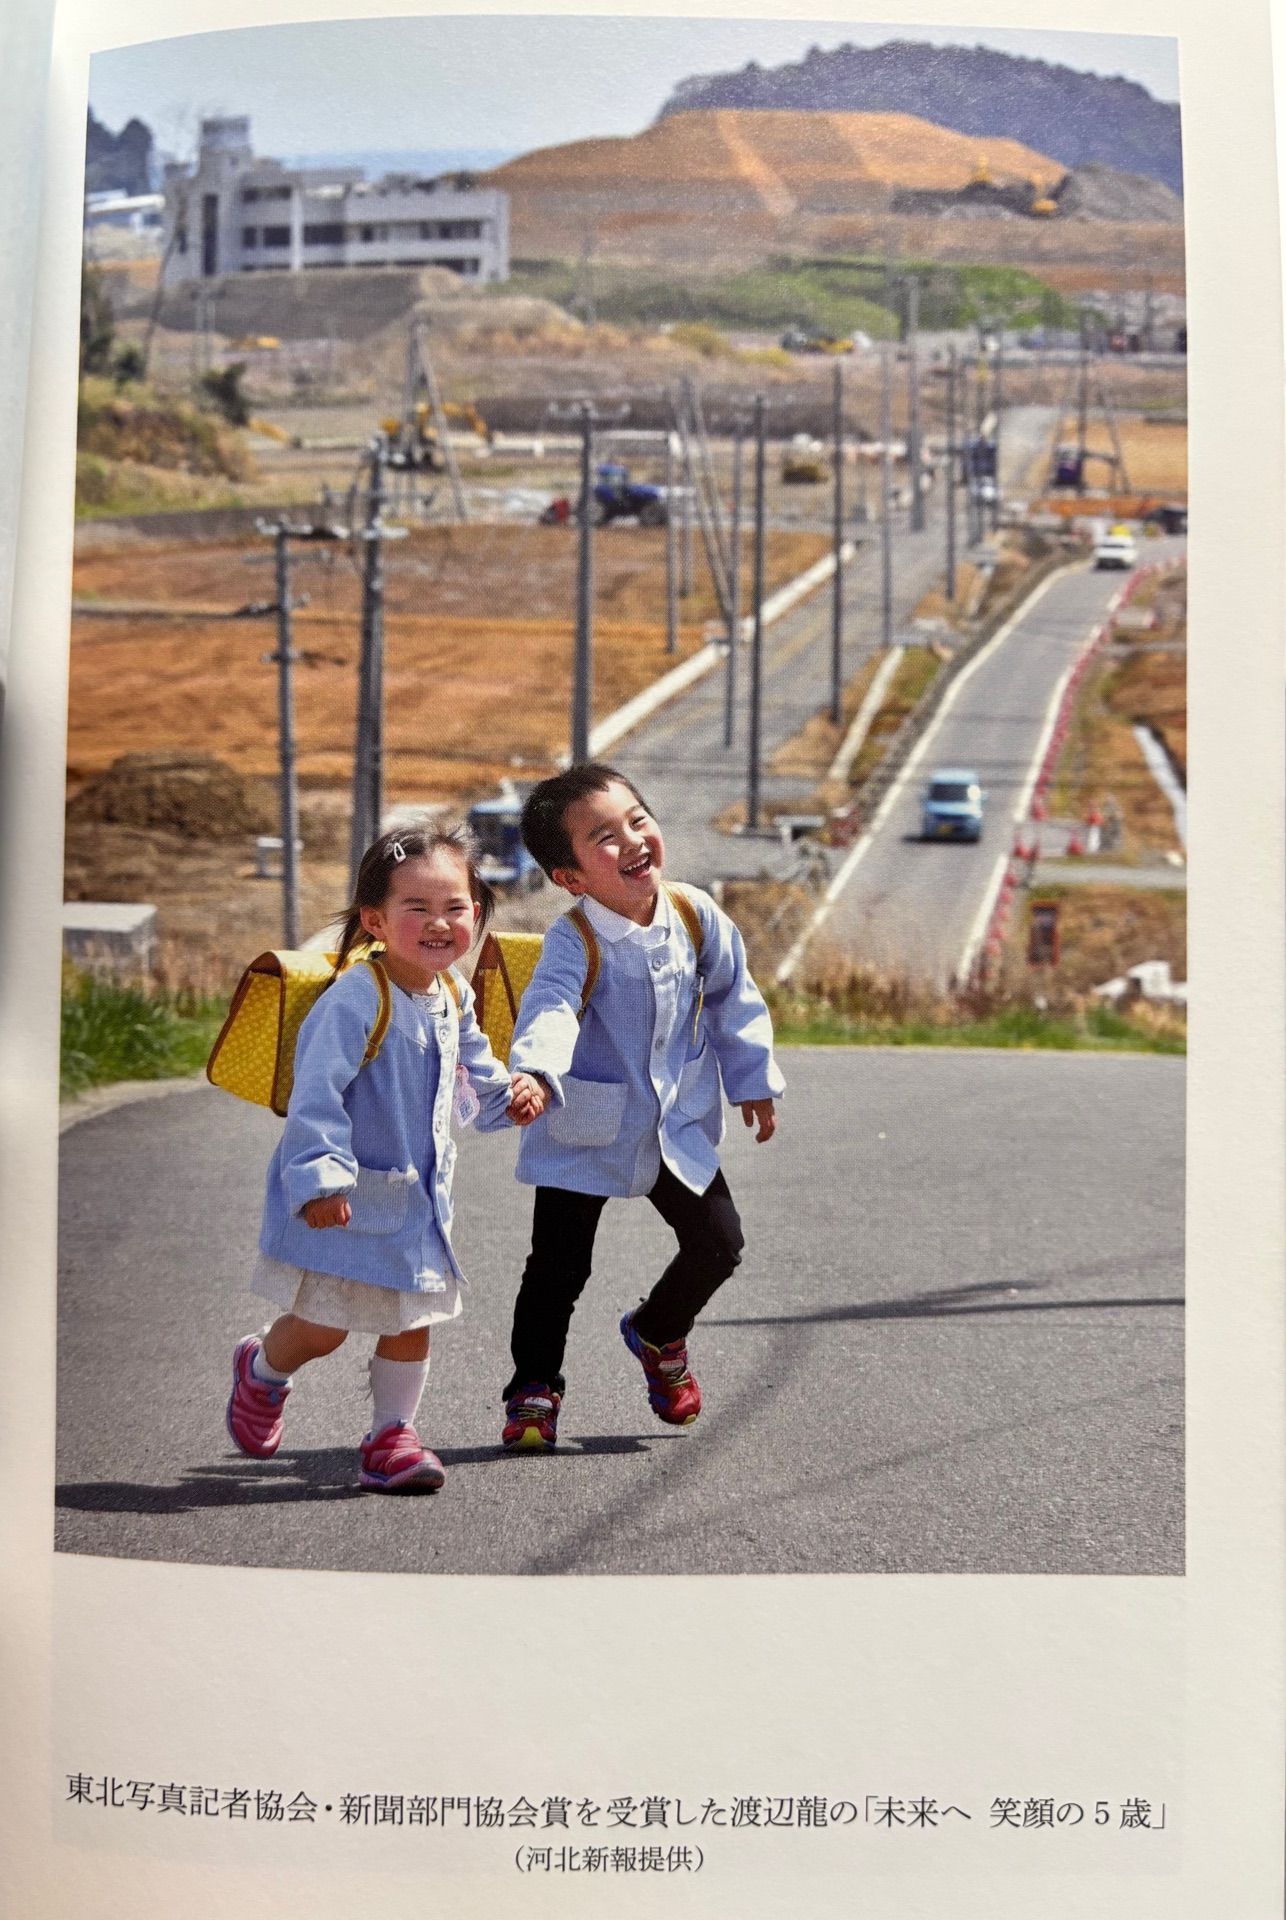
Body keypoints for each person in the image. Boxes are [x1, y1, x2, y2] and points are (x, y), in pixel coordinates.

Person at [225, 823, 545, 1492]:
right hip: (348, 1201)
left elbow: (477, 1070)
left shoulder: (453, 993)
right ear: (374, 920)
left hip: (417, 1204)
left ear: (476, 912)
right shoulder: (355, 1000)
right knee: (324, 1329)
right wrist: (321, 1180)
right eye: (416, 908)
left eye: (455, 907)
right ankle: (263, 1369)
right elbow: (316, 1095)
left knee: (413, 1317)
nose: (439, 923)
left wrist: (511, 1097)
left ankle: (391, 1438)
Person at [499, 764, 784, 1451]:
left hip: (670, 1122)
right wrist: (535, 1071)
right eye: (604, 837)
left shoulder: (693, 913)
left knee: (719, 1244)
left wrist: (752, 1077)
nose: (631, 840)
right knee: (559, 1269)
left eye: (637, 820)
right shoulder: (575, 939)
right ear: (570, 877)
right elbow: (550, 1007)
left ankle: (658, 1331)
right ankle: (533, 1387)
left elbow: (734, 996)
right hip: (587, 1124)